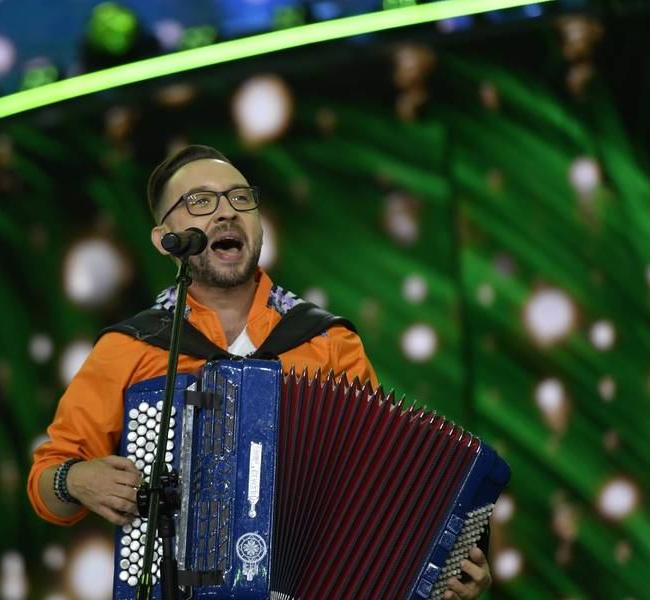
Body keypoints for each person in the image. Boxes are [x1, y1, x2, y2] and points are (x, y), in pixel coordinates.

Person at [27, 145, 491, 600]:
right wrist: (77, 480)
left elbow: (380, 493)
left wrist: (443, 571)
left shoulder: (327, 342)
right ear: (164, 239)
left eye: (239, 197)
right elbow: (46, 485)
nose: (226, 212)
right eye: (201, 202)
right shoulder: (131, 347)